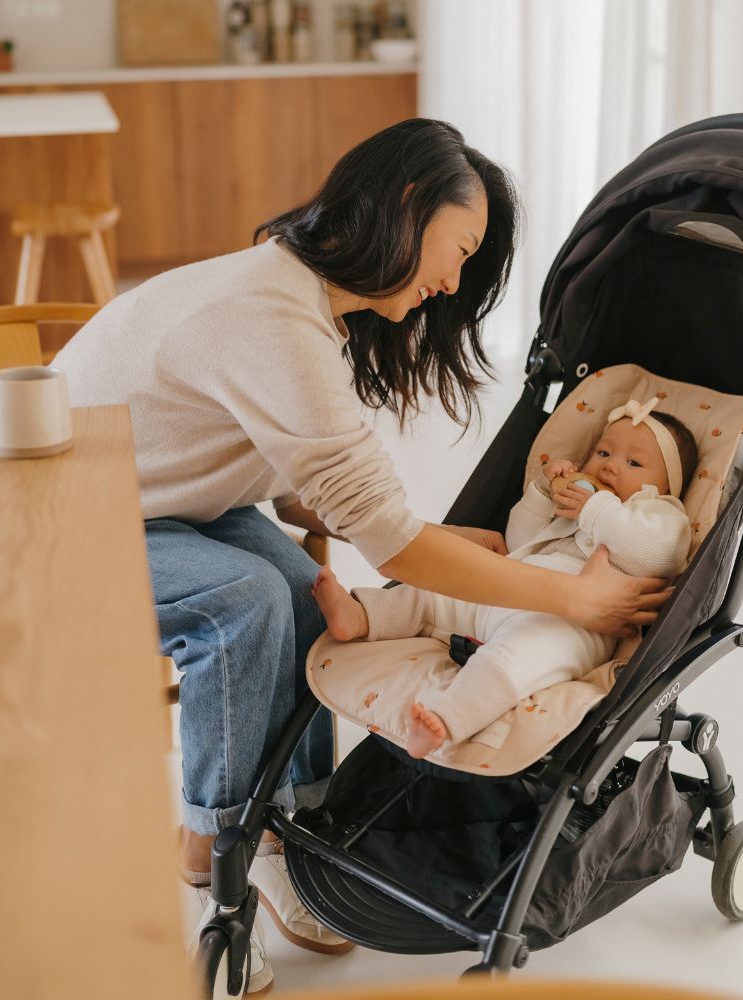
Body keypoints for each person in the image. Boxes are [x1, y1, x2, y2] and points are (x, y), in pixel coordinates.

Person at [51, 118, 672, 987]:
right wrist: (575, 601)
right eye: (456, 250)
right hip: (68, 518)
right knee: (246, 601)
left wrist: (428, 538)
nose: (453, 283)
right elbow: (395, 547)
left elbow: (308, 490)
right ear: (407, 205)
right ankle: (216, 848)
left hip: (168, 503)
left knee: (309, 594)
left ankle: (285, 836)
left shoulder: (301, 301)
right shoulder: (274, 318)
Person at [314, 398, 698, 758]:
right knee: (432, 595)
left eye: (634, 463)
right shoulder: (575, 507)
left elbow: (659, 553)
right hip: (513, 588)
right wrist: (544, 495)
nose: (611, 466)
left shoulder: (660, 513)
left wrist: (597, 511)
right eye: (603, 452)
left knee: (515, 658)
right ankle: (363, 616)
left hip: (571, 623)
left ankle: (446, 719)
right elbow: (519, 542)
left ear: (666, 486)